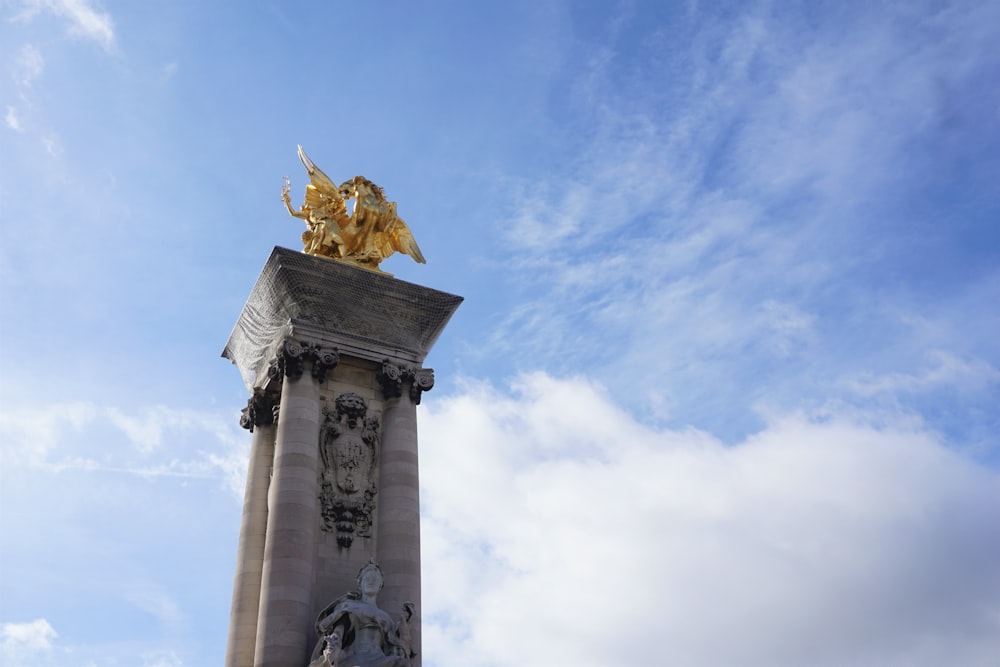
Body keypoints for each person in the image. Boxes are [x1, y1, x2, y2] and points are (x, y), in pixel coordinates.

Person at [309, 560, 413, 667]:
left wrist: (404, 634)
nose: (371, 581)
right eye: (367, 578)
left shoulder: (386, 618)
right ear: (360, 584)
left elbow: (393, 647)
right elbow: (339, 632)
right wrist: (334, 642)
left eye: (375, 579)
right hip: (355, 658)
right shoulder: (349, 606)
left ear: (380, 585)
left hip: (381, 659)